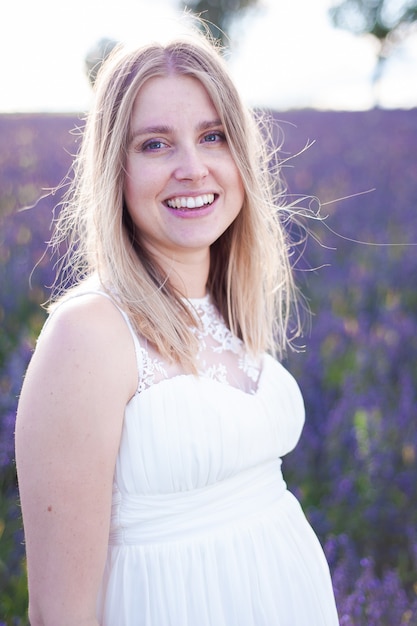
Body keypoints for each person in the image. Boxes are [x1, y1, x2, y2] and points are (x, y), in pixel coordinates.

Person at [15, 28, 339, 626]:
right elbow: (59, 614)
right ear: (117, 167)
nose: (193, 168)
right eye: (156, 145)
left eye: (212, 136)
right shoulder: (89, 334)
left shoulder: (229, 305)